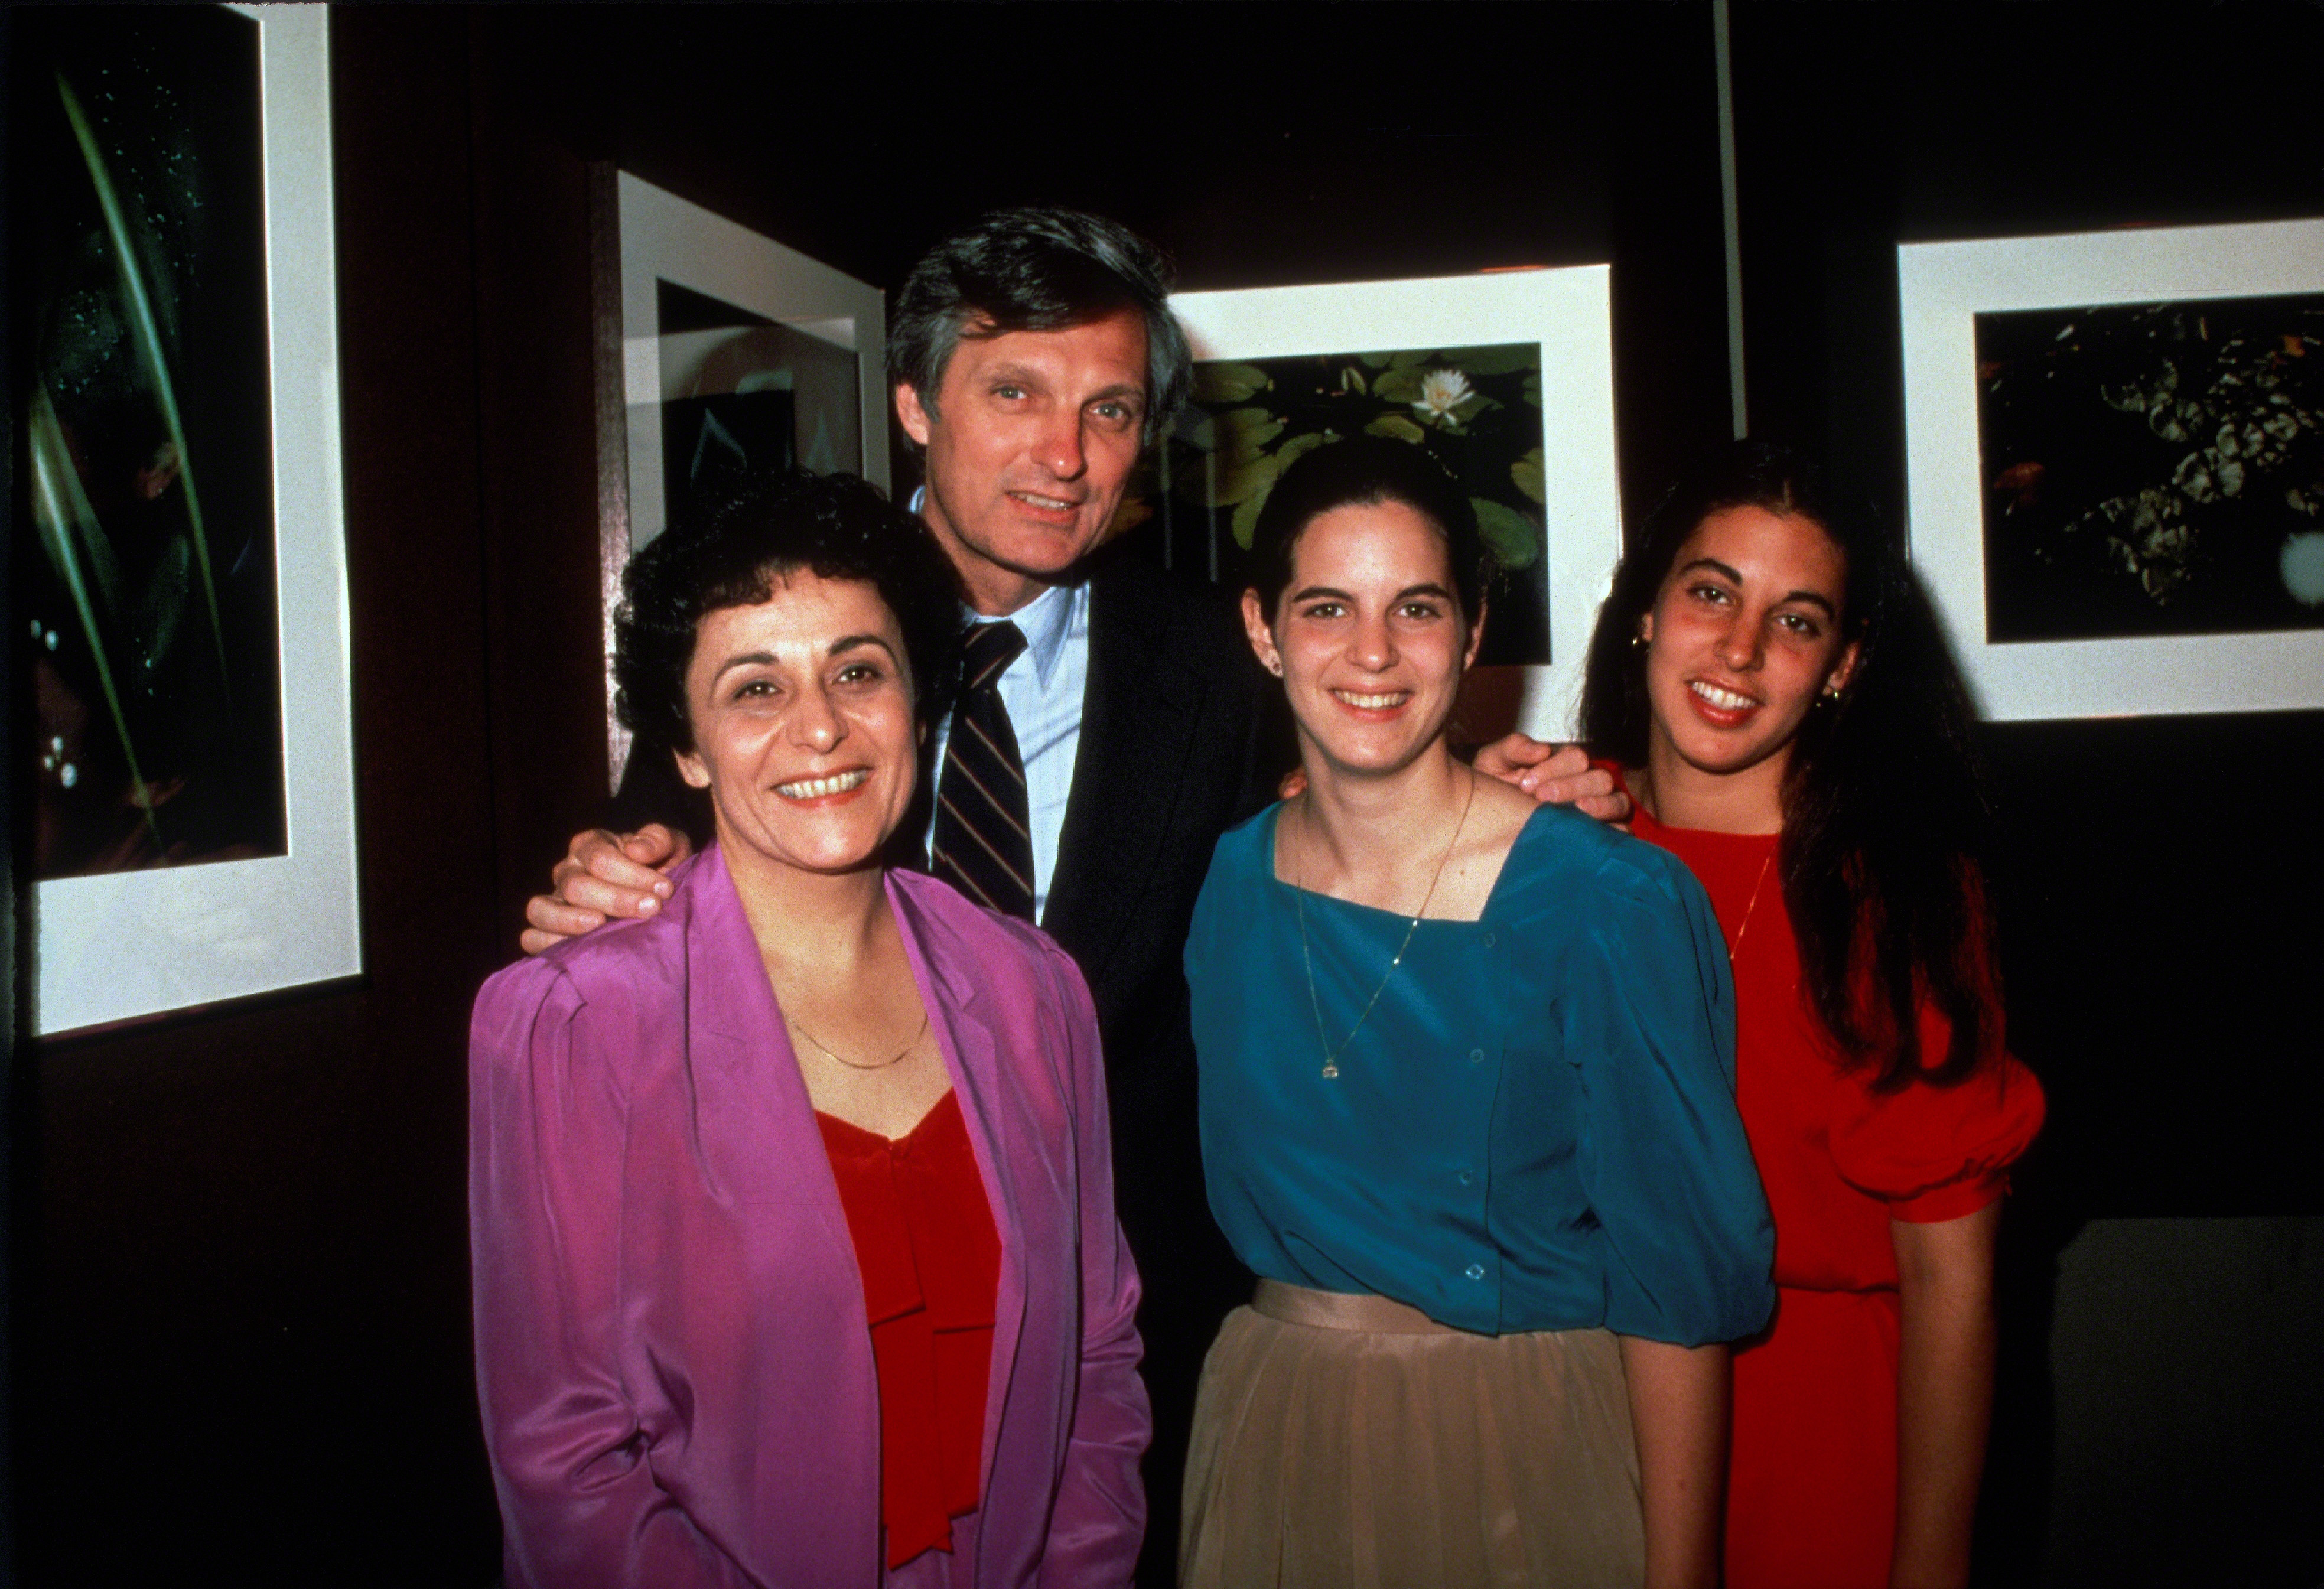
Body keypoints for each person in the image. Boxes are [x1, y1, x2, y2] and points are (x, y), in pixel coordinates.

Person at [518, 207, 1625, 1585]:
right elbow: (655, 897)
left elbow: (1367, 814)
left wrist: (1517, 790)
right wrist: (607, 883)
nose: (1064, 454)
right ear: (915, 402)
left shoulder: (1216, 672)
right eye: (1015, 392)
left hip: (1101, 1377)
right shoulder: (779, 637)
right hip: (783, 1387)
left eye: (1108, 409)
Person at [470, 468, 1148, 1587]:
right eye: (754, 688)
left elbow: (1097, 1357)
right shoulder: (571, 1023)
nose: (821, 725)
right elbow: (568, 1458)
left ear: (919, 707)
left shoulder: (1035, 988)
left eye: (858, 671)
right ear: (686, 748)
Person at [1180, 438, 1773, 1589]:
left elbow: (1676, 1292)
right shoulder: (1224, 881)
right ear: (1261, 628)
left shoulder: (1610, 898)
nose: (1370, 653)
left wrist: (1680, 1573)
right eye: (1324, 608)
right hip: (1273, 1434)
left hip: (1523, 1439)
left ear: (1471, 627)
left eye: (1414, 607)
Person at [1577, 441, 2046, 1589]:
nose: (1737, 647)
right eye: (1709, 591)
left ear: (1839, 665)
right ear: (1645, 608)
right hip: (1575, 1416)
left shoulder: (1894, 894)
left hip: (1810, 1434)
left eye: (1795, 619)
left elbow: (1951, 1279)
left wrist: (1927, 1565)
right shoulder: (1551, 839)